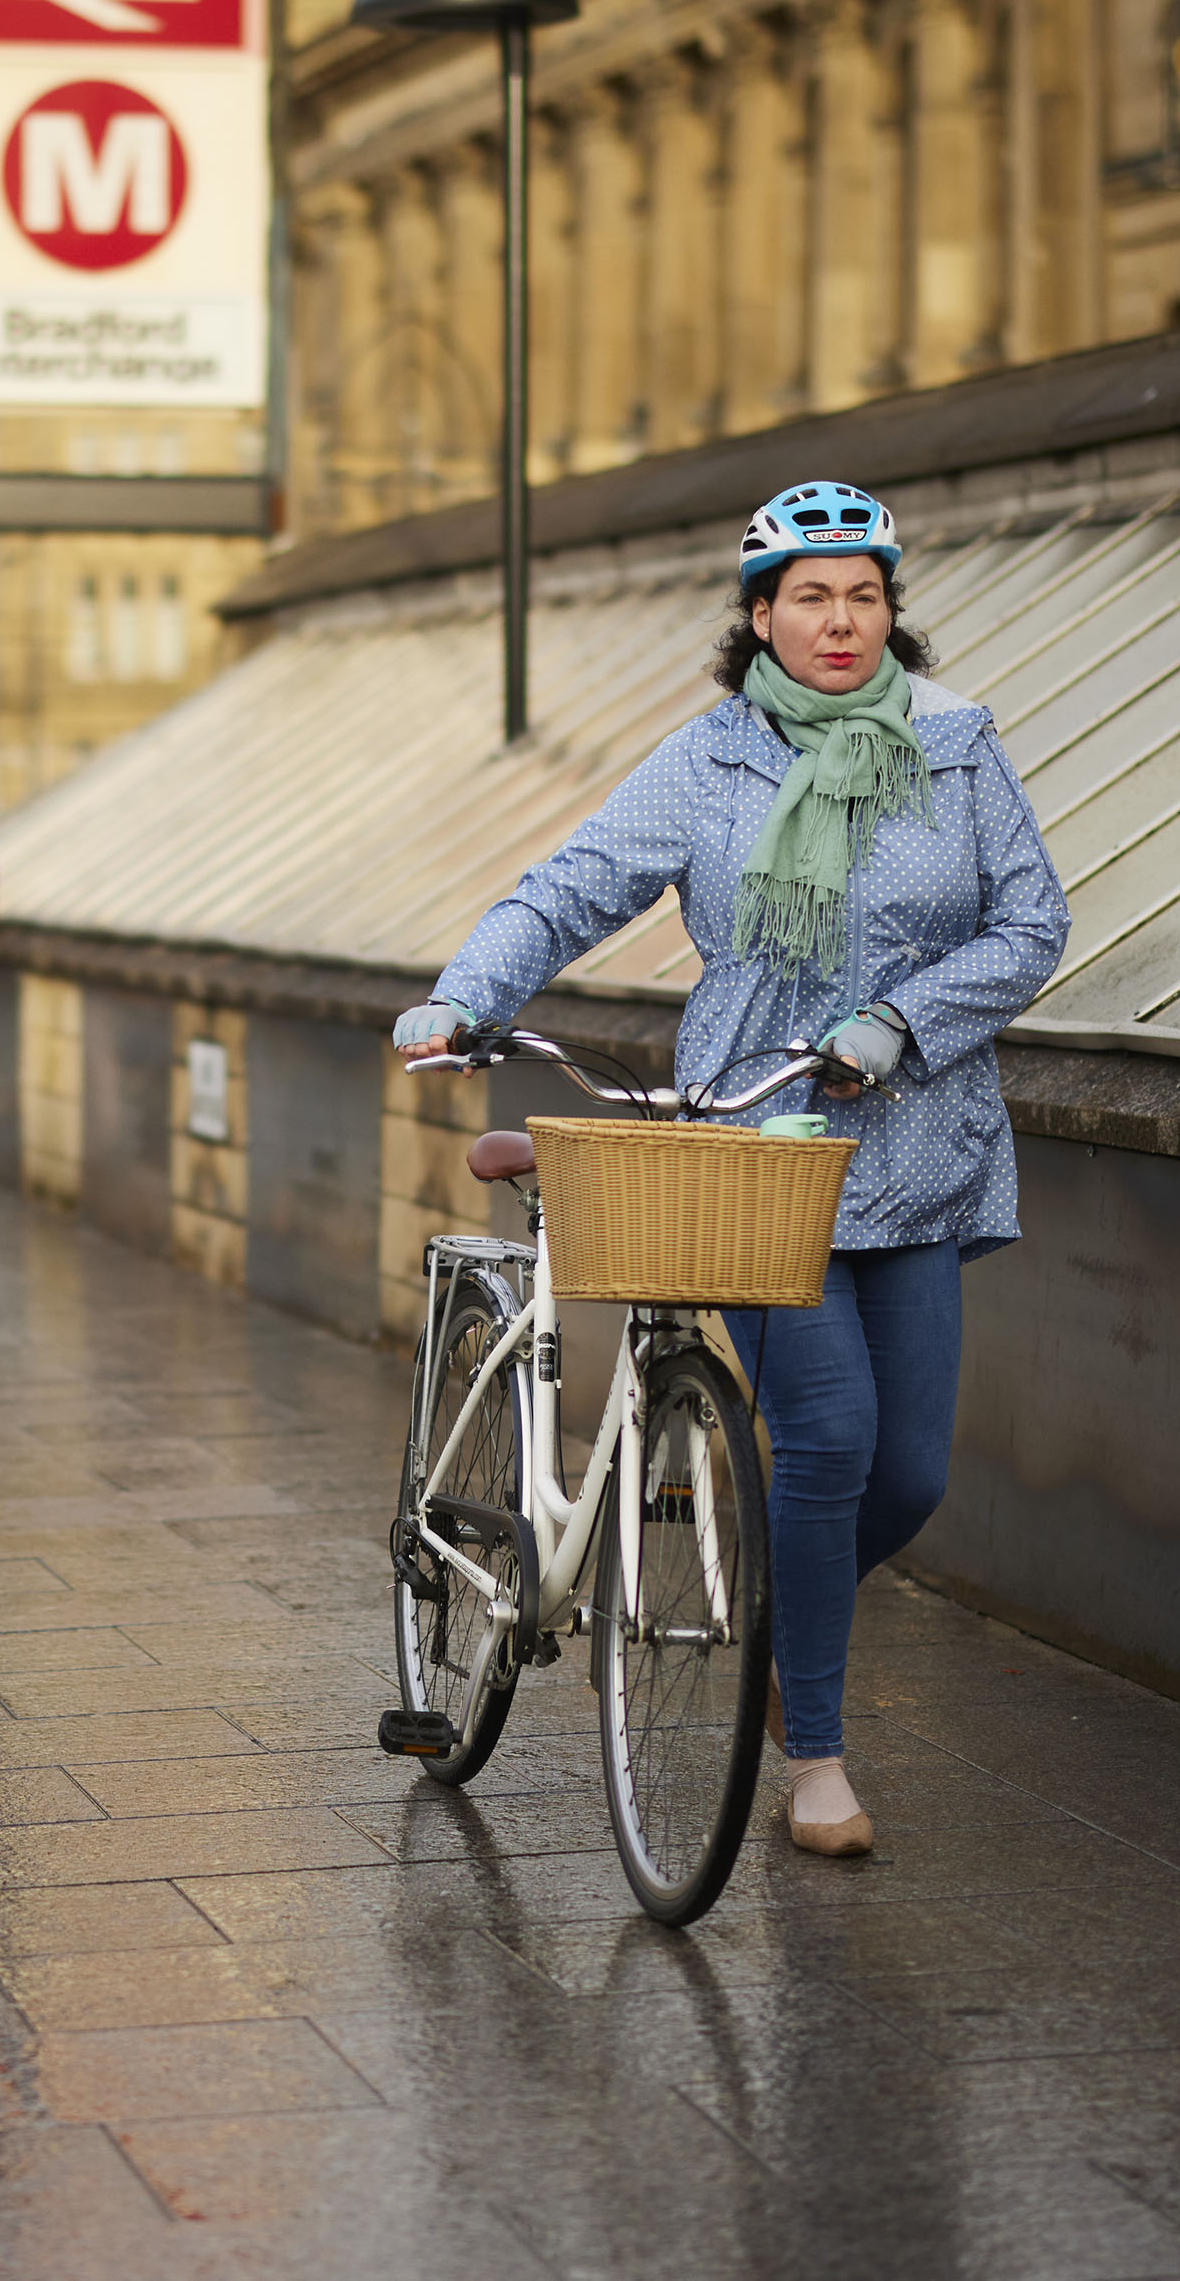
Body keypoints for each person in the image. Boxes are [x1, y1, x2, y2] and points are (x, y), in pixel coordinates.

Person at [392, 482, 1070, 1860]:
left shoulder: (956, 749)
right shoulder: (706, 765)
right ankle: (814, 1754)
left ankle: (776, 1625)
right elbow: (567, 888)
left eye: (863, 594)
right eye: (810, 596)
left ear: (891, 610)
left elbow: (1029, 921)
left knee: (911, 1475)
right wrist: (463, 995)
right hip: (755, 1150)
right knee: (824, 1439)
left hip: (918, 1146)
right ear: (760, 616)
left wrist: (903, 1019)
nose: (840, 619)